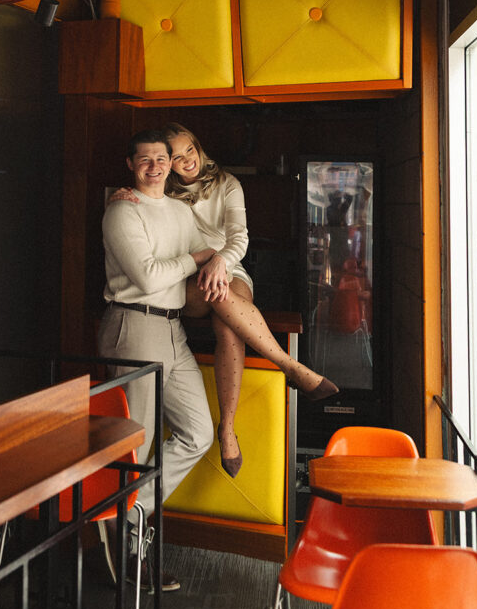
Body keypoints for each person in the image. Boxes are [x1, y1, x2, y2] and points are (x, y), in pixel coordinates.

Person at [111, 122, 338, 479]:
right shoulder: (160, 195)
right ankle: (287, 364)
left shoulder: (227, 184)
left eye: (190, 151)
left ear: (199, 148)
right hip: (187, 279)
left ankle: (226, 429)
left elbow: (239, 237)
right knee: (217, 295)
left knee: (227, 316)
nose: (185, 160)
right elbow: (141, 213)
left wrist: (219, 261)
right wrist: (119, 194)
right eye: (175, 156)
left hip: (228, 266)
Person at [98, 128, 216, 592]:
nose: (154, 166)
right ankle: (132, 553)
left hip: (172, 328)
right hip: (133, 323)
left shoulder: (181, 211)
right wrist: (196, 256)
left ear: (171, 163)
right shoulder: (121, 210)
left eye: (161, 159)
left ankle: (123, 515)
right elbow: (147, 277)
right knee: (138, 445)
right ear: (130, 164)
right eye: (144, 159)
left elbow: (218, 243)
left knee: (199, 432)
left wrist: (217, 259)